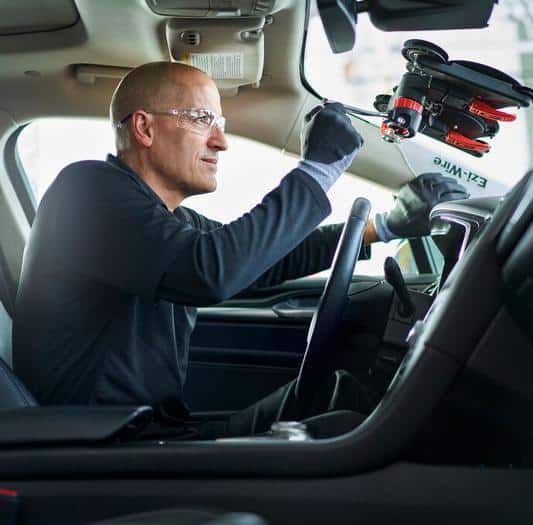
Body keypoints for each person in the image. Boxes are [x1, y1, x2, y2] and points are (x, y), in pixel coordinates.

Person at [12, 62, 467, 437]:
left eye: (220, 124)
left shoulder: (170, 221)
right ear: (145, 128)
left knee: (341, 396)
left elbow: (264, 262)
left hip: (154, 433)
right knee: (345, 420)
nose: (220, 141)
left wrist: (383, 227)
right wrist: (315, 171)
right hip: (102, 450)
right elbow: (211, 272)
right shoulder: (87, 190)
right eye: (200, 120)